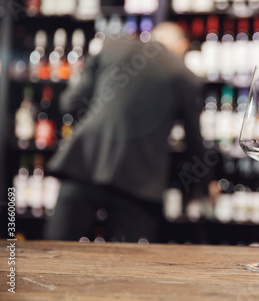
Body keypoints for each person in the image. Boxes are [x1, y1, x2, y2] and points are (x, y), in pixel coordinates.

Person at [44, 22, 210, 242]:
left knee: (56, 249)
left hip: (85, 161)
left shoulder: (111, 46)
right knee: (128, 265)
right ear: (182, 46)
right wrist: (207, 183)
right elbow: (195, 142)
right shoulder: (184, 75)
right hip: (140, 181)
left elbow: (71, 103)